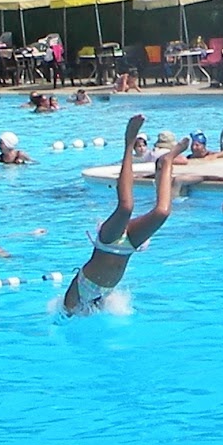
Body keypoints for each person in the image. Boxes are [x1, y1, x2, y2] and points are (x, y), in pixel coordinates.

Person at [63, 115, 184, 318]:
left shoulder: (71, 305)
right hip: (127, 248)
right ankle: (166, 162)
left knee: (126, 206)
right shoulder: (103, 302)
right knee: (162, 212)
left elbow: (63, 315)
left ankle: (128, 142)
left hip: (107, 242)